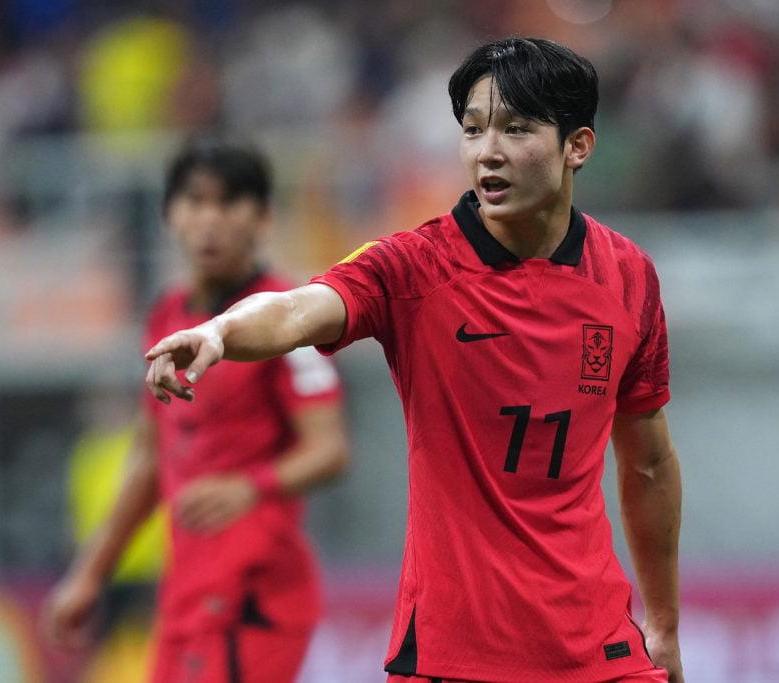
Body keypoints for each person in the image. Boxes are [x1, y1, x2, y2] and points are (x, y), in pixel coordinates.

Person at [145, 37, 684, 683]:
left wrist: (664, 624)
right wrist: (222, 330)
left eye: (516, 129)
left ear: (578, 146)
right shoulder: (412, 266)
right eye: (473, 129)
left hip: (598, 649)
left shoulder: (628, 276)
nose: (488, 151)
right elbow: (296, 309)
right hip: (453, 654)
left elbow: (648, 460)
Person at [43, 138, 350, 683]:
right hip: (186, 589)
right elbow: (147, 459)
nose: (210, 221)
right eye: (195, 202)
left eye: (230, 203)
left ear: (262, 218)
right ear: (169, 215)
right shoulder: (167, 313)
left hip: (253, 589)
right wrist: (90, 574)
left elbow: (329, 450)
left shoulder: (285, 318)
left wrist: (249, 485)